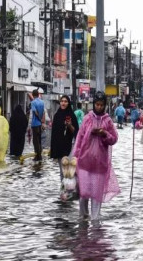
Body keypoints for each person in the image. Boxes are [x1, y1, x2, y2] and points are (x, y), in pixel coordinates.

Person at [73, 91, 120, 220]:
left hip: (100, 164)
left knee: (96, 196)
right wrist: (75, 157)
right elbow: (79, 138)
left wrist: (104, 134)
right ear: (94, 104)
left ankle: (95, 223)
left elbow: (114, 139)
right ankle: (83, 221)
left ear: (104, 106)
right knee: (83, 194)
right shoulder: (87, 118)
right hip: (84, 162)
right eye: (97, 104)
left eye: (101, 105)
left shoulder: (108, 121)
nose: (99, 107)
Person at [50, 95, 79, 178]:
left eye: (65, 101)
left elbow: (76, 133)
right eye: (62, 101)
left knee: (71, 170)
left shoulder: (72, 115)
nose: (63, 103)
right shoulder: (57, 116)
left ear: (68, 103)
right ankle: (64, 188)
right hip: (59, 147)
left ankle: (71, 187)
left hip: (69, 147)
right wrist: (53, 151)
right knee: (62, 170)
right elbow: (54, 134)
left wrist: (69, 125)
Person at [31, 89, 46, 161]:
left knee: (35, 141)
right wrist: (42, 121)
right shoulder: (42, 102)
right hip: (40, 124)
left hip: (35, 123)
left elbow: (35, 112)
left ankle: (37, 156)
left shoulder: (33, 102)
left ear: (33, 95)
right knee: (39, 140)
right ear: (38, 94)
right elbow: (43, 112)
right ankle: (40, 155)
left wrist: (39, 119)